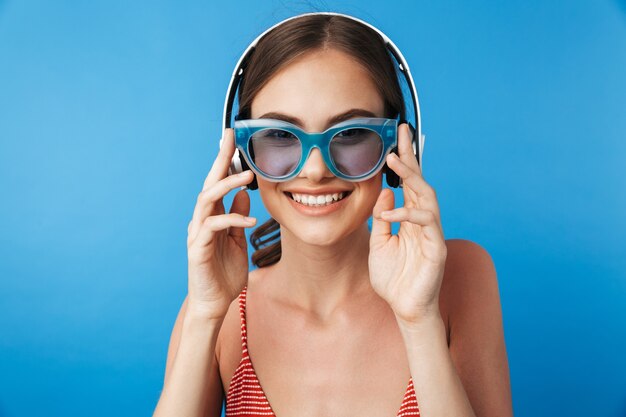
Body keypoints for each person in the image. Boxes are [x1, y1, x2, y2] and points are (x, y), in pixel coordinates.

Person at [153, 12, 513, 417]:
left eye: (352, 133)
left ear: (398, 149)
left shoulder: (460, 277)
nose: (315, 170)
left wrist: (419, 319)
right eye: (279, 135)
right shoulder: (216, 310)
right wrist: (204, 316)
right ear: (240, 156)